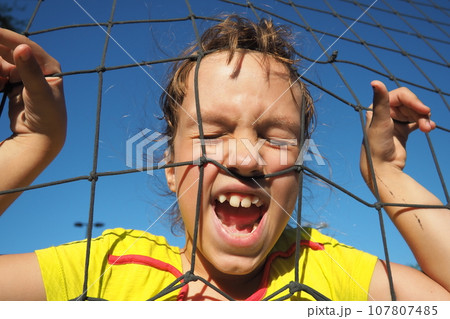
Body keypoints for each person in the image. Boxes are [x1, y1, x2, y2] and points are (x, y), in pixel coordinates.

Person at [0, 16, 449, 301]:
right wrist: (32, 145)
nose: (246, 157)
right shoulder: (107, 268)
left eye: (276, 137)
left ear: (300, 172)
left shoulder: (327, 270)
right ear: (171, 171)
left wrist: (387, 175)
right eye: (213, 133)